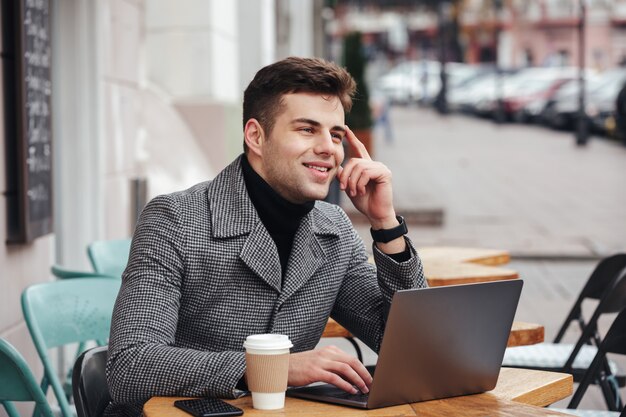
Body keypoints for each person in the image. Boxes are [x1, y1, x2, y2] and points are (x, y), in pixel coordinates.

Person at [105, 57, 426, 417]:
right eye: (307, 129)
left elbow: (413, 350)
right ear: (256, 136)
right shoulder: (175, 220)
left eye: (336, 134)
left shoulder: (333, 227)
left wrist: (385, 224)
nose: (328, 148)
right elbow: (130, 366)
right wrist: (273, 368)